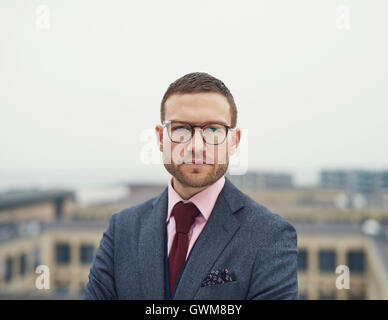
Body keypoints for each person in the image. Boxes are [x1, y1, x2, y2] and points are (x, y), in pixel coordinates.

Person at [82, 72, 299, 300]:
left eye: (213, 130)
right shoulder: (122, 229)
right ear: (159, 138)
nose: (196, 146)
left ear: (234, 142)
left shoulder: (270, 235)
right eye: (181, 130)